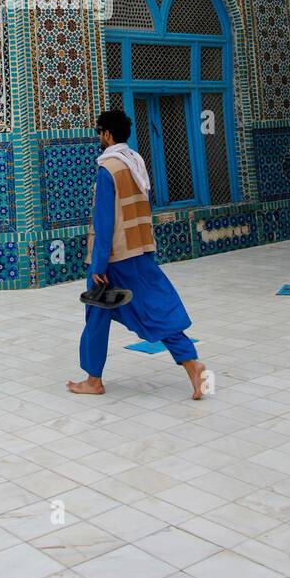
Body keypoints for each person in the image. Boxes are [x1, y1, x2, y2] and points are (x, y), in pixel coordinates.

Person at [67, 109, 206, 399]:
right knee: (155, 306)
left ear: (107, 134)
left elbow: (104, 221)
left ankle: (94, 380)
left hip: (113, 257)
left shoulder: (109, 168)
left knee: (96, 312)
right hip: (139, 249)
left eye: (99, 132)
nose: (99, 138)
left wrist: (99, 264)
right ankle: (191, 362)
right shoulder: (135, 162)